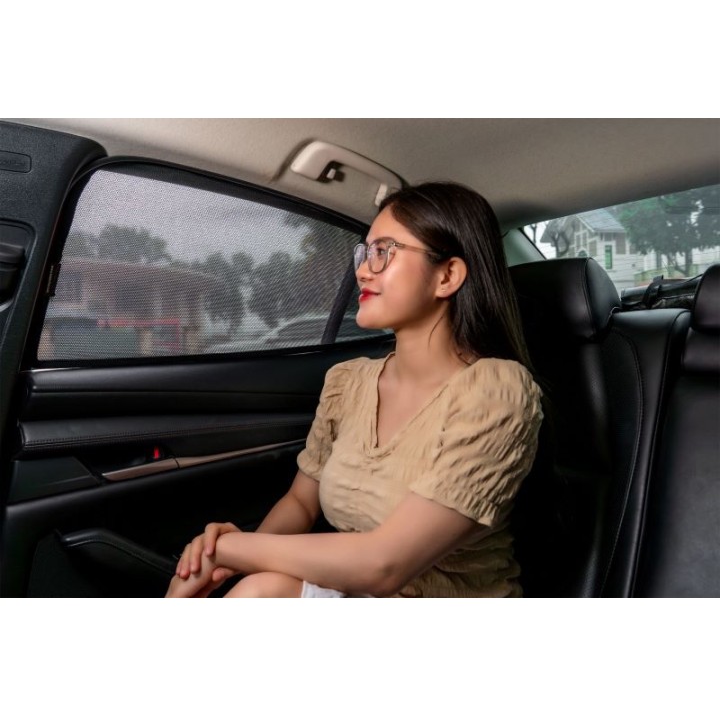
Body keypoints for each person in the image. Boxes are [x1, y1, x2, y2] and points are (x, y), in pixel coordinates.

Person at [166, 181, 543, 598]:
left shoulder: (496, 392)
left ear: (447, 276)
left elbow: (384, 564)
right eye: (365, 253)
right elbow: (301, 503)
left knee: (262, 591)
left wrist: (232, 550)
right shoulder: (348, 382)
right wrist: (228, 560)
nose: (363, 270)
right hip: (355, 592)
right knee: (259, 590)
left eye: (384, 252)